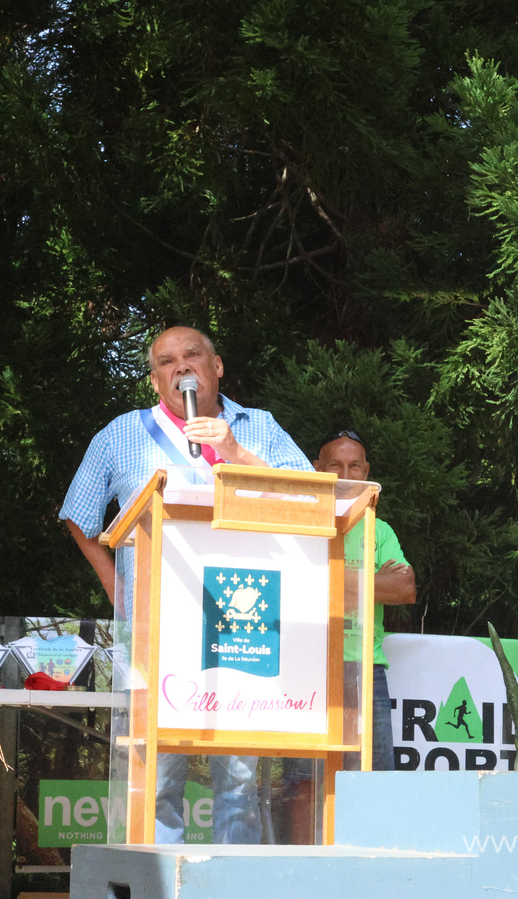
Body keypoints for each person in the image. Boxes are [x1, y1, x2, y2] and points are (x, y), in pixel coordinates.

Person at [60, 325, 311, 844]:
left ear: (216, 367)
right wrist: (118, 588)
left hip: (243, 624)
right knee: (157, 775)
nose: (182, 367)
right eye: (167, 362)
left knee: (240, 780)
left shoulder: (257, 427)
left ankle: (224, 884)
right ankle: (155, 879)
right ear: (156, 381)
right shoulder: (121, 434)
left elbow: (311, 500)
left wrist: (237, 454)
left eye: (192, 355)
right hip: (157, 630)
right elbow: (78, 516)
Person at [313, 430, 415, 772]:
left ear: (366, 471)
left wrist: (332, 581)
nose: (345, 475)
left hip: (367, 671)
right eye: (335, 465)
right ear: (317, 469)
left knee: (374, 779)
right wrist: (374, 581)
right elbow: (301, 586)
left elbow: (404, 589)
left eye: (354, 466)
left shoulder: (379, 530)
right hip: (311, 666)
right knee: (304, 782)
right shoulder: (302, 526)